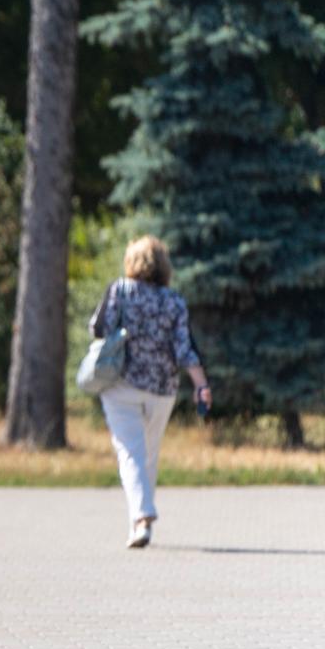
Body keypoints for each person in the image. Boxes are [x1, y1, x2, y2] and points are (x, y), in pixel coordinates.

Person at [89, 234, 210, 549]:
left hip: (121, 386)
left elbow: (98, 328)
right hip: (162, 389)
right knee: (148, 456)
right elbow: (185, 348)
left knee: (131, 453)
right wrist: (201, 385)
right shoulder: (174, 301)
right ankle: (140, 526)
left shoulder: (120, 290)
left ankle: (142, 516)